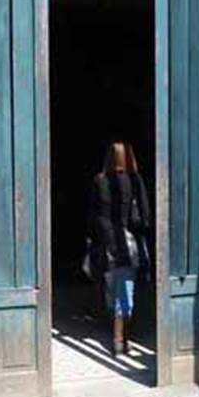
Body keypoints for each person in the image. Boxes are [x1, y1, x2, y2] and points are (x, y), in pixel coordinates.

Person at [87, 141, 151, 358]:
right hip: (126, 246)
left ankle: (119, 338)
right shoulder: (134, 180)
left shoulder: (99, 180)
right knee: (125, 296)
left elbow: (92, 217)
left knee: (113, 293)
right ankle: (120, 340)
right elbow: (144, 216)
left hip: (105, 247)